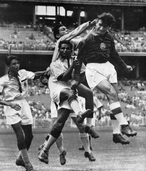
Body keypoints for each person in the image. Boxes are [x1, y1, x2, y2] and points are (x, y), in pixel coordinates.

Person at [72, 12, 137, 145]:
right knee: (112, 94)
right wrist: (76, 77)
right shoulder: (87, 39)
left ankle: (116, 134)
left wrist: (124, 67)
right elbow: (78, 60)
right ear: (96, 22)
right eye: (100, 25)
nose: (102, 28)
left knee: (114, 100)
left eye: (105, 27)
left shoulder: (109, 37)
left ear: (109, 27)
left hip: (108, 67)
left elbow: (114, 54)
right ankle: (124, 124)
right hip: (93, 68)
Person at [39, 22, 99, 164]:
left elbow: (83, 42)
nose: (67, 30)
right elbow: (76, 33)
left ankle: (46, 150)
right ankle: (59, 150)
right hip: (57, 86)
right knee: (57, 123)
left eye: (66, 28)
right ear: (58, 36)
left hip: (69, 89)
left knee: (61, 122)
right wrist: (90, 25)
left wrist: (95, 34)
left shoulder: (71, 49)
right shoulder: (61, 43)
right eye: (63, 29)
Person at [0, 55, 44, 171]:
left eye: (17, 63)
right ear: (8, 66)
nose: (16, 65)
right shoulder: (2, 80)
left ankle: (20, 159)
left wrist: (47, 71)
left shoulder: (23, 73)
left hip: (23, 104)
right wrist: (9, 104)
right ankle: (27, 164)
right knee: (20, 135)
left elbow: (35, 74)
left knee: (29, 136)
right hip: (11, 105)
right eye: (13, 64)